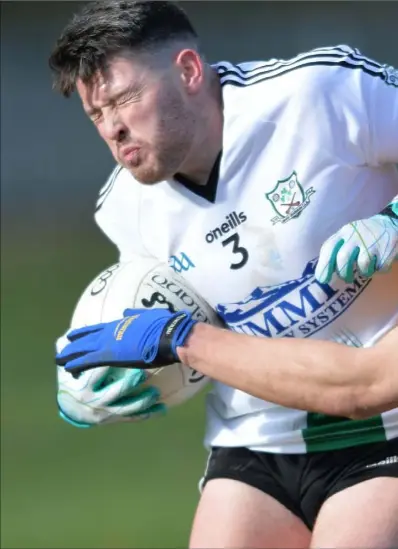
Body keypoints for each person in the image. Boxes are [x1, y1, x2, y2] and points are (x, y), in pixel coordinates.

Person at [50, 1, 398, 547]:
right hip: (256, 437)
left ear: (188, 71)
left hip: (386, 420)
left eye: (124, 98)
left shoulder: (319, 94)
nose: (113, 128)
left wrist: (392, 221)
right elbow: (177, 324)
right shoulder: (122, 209)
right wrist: (100, 382)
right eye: (97, 114)